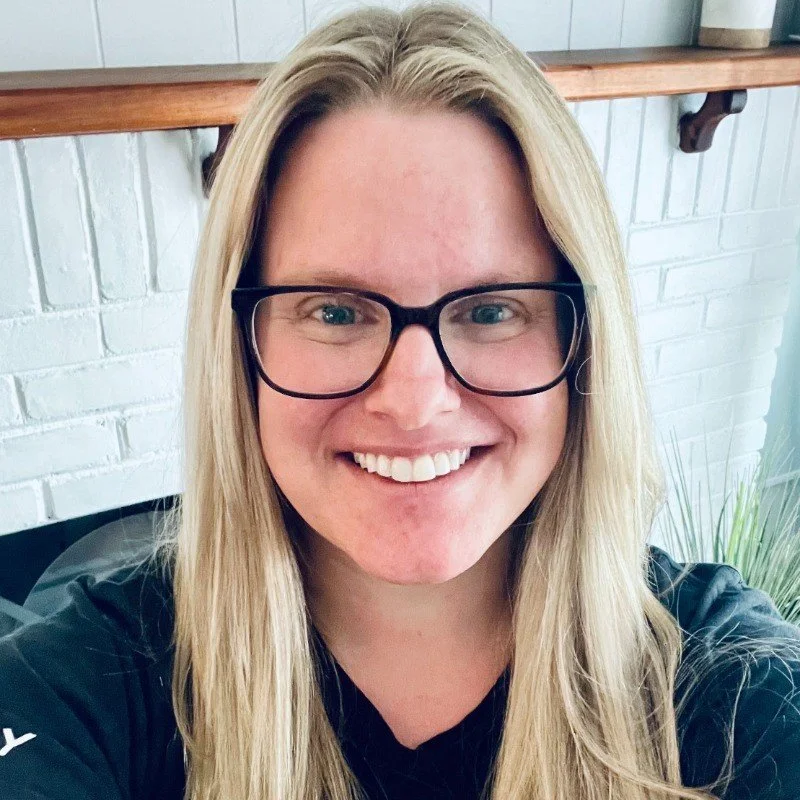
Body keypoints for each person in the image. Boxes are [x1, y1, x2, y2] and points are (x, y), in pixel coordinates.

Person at [1, 3, 799, 799]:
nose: (416, 402)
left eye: (490, 311)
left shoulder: (733, 694)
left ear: (580, 343)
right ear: (240, 348)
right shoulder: (86, 686)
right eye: (336, 312)